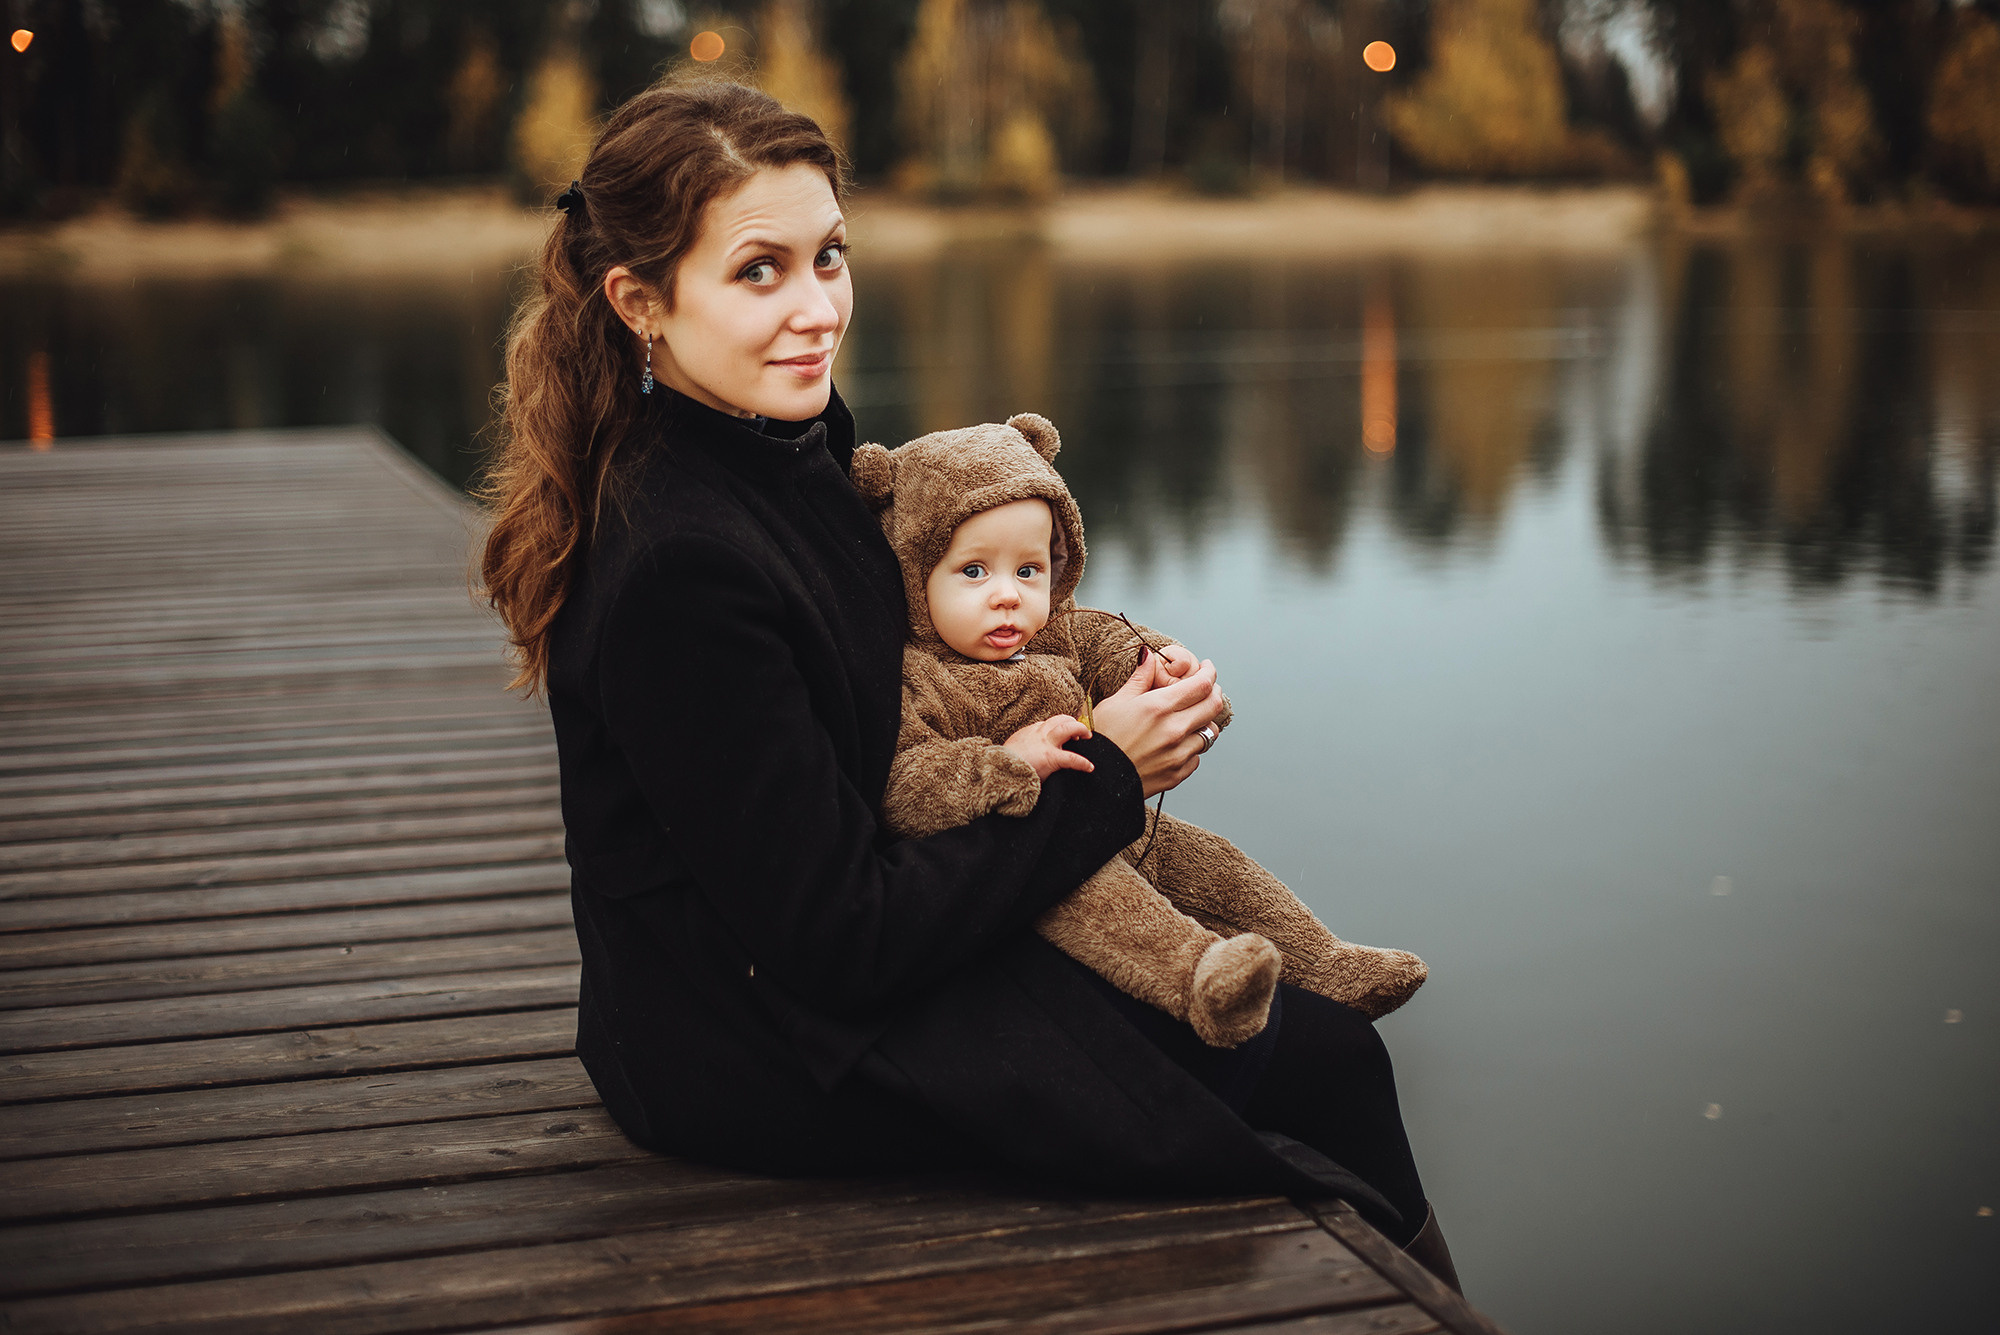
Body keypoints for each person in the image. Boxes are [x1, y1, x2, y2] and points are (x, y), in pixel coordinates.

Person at [478, 77, 1459, 1289]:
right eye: (757, 271)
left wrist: (1091, 661)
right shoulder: (681, 562)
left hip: (838, 947)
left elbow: (895, 678)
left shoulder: (779, 444)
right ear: (640, 302)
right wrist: (1106, 774)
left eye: (828, 257)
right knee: (1317, 1070)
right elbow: (835, 937)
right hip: (753, 1046)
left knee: (1315, 1053)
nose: (814, 310)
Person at [852, 412, 1428, 1047]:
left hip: (1117, 817)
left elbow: (1115, 645)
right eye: (973, 572)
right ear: (913, 574)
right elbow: (905, 790)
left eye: (1029, 570)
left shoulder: (1059, 632)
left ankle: (1324, 965)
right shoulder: (919, 681)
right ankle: (1202, 981)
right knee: (1111, 907)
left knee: (1214, 866)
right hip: (1035, 858)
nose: (1008, 596)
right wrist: (1009, 764)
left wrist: (1165, 667)